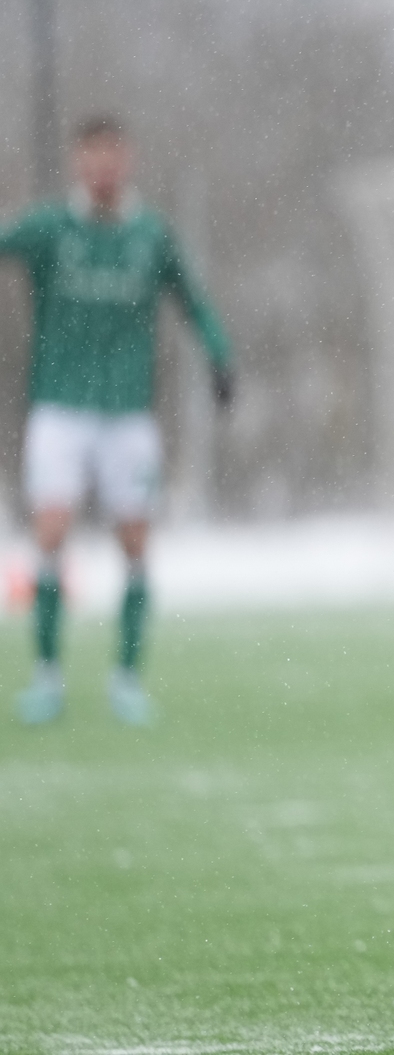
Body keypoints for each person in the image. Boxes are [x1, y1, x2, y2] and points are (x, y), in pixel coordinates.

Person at [0, 115, 234, 726]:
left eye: (112, 155)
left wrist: (219, 356)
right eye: (92, 155)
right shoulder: (51, 228)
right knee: (50, 530)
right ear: (79, 162)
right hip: (59, 407)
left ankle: (126, 679)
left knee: (134, 541)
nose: (103, 167)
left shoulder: (151, 236)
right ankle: (48, 677)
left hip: (128, 413)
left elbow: (194, 301)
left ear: (126, 161)